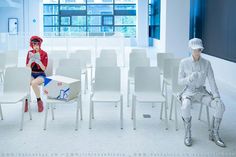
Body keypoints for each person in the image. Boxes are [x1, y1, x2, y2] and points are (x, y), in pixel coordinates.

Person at [178, 38, 226, 147]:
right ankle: (187, 133)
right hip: (188, 92)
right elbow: (179, 81)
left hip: (202, 93)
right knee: (185, 106)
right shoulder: (183, 62)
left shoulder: (207, 63)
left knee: (220, 106)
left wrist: (216, 96)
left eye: (199, 49)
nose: (197, 52)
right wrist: (189, 78)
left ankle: (214, 133)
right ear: (190, 49)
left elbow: (212, 80)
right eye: (195, 49)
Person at [25, 36, 48, 112]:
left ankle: (39, 101)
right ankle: (26, 101)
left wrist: (39, 62)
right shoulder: (30, 53)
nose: (35, 46)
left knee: (34, 83)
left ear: (39, 44)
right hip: (31, 73)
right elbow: (27, 68)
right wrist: (30, 62)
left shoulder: (44, 54)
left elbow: (44, 68)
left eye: (37, 44)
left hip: (41, 74)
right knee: (25, 82)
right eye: (34, 44)